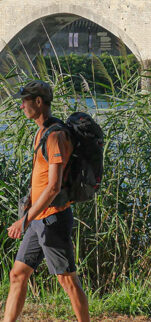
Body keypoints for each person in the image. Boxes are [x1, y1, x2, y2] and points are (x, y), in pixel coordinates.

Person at [3, 80, 89, 322]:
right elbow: (40, 178)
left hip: (53, 218)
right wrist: (29, 203)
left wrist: (24, 220)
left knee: (68, 281)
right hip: (38, 217)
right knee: (18, 274)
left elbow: (53, 187)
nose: (21, 107)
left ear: (38, 102)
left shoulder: (56, 136)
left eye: (24, 102)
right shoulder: (42, 131)